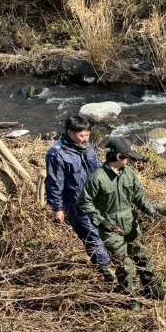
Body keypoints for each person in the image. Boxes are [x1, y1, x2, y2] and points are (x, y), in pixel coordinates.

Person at [77, 138, 166, 304]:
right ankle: (129, 298)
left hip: (130, 223)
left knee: (142, 256)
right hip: (110, 228)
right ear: (118, 156)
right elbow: (84, 202)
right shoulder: (98, 178)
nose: (130, 160)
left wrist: (152, 212)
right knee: (124, 265)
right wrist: (102, 222)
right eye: (128, 157)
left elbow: (139, 197)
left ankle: (152, 289)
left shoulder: (129, 174)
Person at [45, 115, 114, 285]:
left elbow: (98, 170)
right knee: (92, 237)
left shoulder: (87, 147)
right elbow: (54, 183)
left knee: (106, 232)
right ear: (70, 132)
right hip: (76, 206)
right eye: (82, 135)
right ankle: (108, 273)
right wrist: (57, 208)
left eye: (87, 135)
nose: (85, 139)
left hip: (97, 201)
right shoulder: (57, 155)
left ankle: (112, 261)